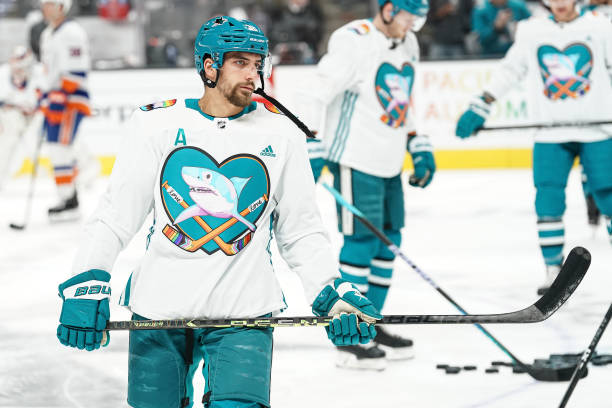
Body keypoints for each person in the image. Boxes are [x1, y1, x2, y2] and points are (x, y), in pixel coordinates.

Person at [55, 16, 381, 408]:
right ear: (209, 66)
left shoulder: (282, 134)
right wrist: (86, 281)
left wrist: (331, 291)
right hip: (159, 310)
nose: (253, 74)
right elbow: (115, 215)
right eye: (241, 62)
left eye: (258, 64)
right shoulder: (155, 123)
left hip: (244, 314)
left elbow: (301, 230)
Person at [303, 0, 436, 370]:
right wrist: (311, 142)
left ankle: (372, 322)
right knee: (361, 244)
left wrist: (417, 142)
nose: (412, 26)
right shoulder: (353, 40)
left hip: (389, 162)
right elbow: (315, 91)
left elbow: (403, 97)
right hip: (353, 159)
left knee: (389, 241)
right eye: (409, 17)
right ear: (389, 9)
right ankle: (350, 336)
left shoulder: (407, 42)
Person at [455, 0, 612, 294]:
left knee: (609, 196)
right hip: (550, 134)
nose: (560, 3)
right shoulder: (531, 30)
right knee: (548, 201)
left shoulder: (601, 27)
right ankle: (553, 270)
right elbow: (510, 70)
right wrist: (482, 104)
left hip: (598, 130)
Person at [39, 0, 91, 221]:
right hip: (55, 98)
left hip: (70, 99)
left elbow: (77, 70)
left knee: (61, 147)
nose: (45, 7)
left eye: (50, 4)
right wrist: (43, 95)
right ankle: (67, 197)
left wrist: (59, 98)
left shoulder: (72, 32)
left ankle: (71, 199)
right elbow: (48, 71)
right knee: (55, 148)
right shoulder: (47, 34)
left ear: (62, 7)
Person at [0, 46, 41, 189]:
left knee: (39, 145)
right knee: (5, 146)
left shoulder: (39, 75)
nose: (19, 69)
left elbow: (42, 101)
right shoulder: (2, 74)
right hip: (11, 118)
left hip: (35, 118)